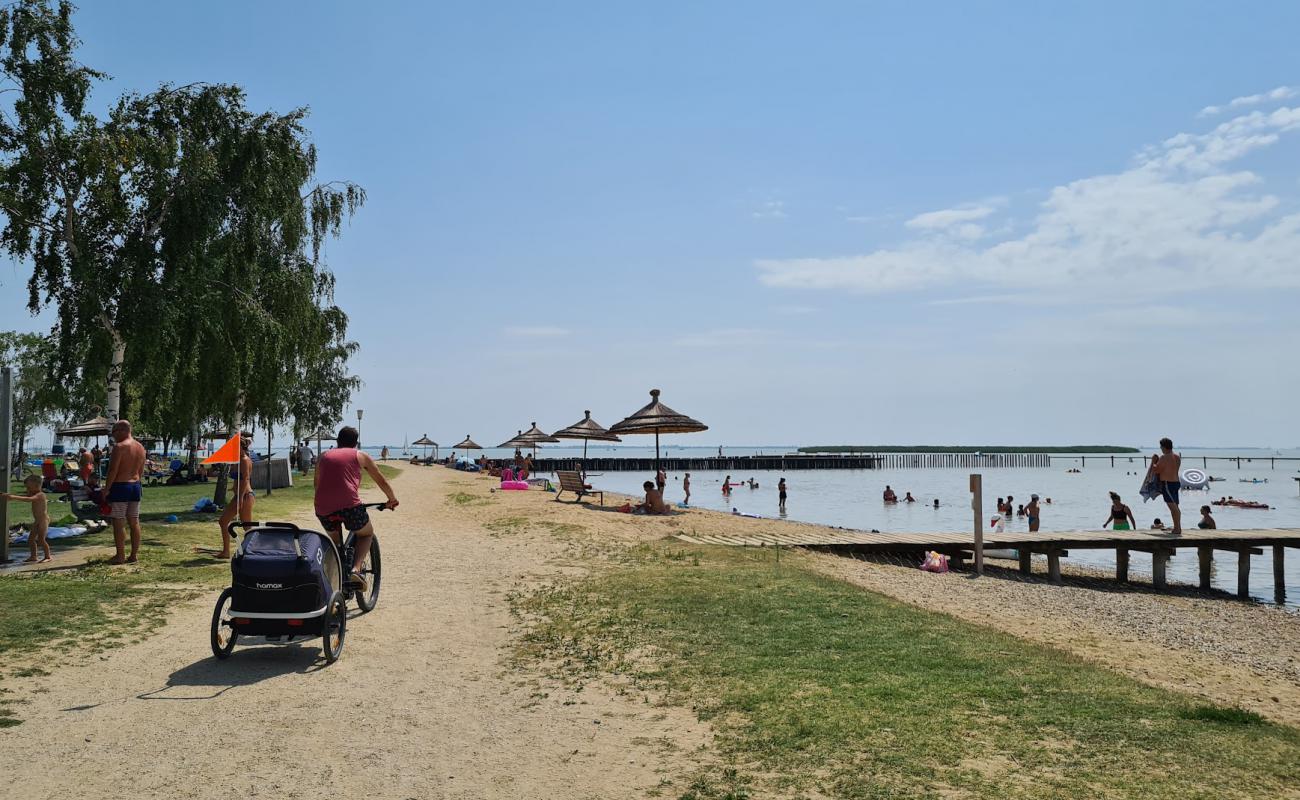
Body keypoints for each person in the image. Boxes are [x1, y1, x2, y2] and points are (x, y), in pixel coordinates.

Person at [314, 425, 399, 590]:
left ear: (338, 441)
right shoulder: (360, 455)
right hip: (350, 506)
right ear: (355, 443)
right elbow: (381, 481)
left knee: (335, 544)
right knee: (366, 534)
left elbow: (316, 484)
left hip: (323, 508)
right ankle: (356, 569)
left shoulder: (323, 456)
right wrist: (392, 499)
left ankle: (332, 585)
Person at [104, 420, 146, 564]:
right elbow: (141, 470)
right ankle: (134, 555)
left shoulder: (119, 447)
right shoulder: (140, 447)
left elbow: (113, 470)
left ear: (122, 430)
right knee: (134, 521)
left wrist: (106, 489)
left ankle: (120, 555)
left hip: (120, 486)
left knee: (118, 521)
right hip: (135, 486)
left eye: (114, 432)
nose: (113, 436)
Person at [216, 436, 255, 559]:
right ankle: (253, 549)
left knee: (223, 521)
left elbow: (246, 479)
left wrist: (240, 498)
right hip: (243, 495)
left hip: (244, 496)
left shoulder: (244, 460)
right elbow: (240, 479)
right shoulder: (241, 460)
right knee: (247, 526)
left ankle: (226, 551)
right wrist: (234, 488)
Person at [3, 474, 50, 562]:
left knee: (41, 540)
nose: (27, 490)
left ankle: (48, 557)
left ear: (37, 486)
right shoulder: (34, 494)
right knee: (31, 539)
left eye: (29, 488)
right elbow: (26, 496)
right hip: (37, 521)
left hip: (43, 520)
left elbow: (29, 499)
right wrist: (9, 495)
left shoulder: (41, 495)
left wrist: (13, 497)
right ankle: (33, 556)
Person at [1147, 437, 1182, 535]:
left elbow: (1156, 470)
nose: (1161, 449)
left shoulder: (1164, 457)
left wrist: (1153, 461)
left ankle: (1177, 528)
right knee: (1175, 506)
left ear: (1164, 447)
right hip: (1176, 483)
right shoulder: (1177, 457)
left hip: (1168, 483)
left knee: (1173, 508)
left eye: (1161, 447)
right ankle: (1177, 527)